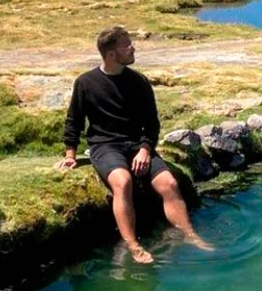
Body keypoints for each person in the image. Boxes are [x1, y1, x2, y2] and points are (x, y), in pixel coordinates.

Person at [57, 26, 212, 264]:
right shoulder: (86, 83)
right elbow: (74, 120)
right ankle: (133, 245)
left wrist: (145, 149)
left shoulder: (138, 81)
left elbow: (152, 123)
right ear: (111, 54)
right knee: (123, 181)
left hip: (136, 144)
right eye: (126, 45)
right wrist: (70, 154)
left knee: (169, 183)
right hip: (104, 146)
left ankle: (190, 234)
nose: (133, 48)